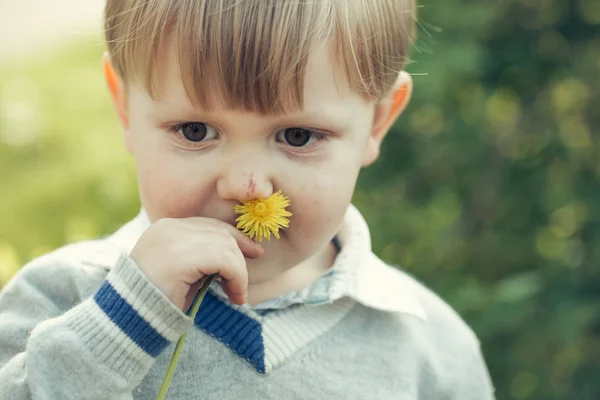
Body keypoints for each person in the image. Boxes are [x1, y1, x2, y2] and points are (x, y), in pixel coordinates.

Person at [0, 0, 495, 398]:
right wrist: (123, 321)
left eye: (298, 136)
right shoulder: (61, 300)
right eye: (195, 131)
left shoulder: (428, 347)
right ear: (125, 107)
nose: (244, 185)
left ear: (379, 121)